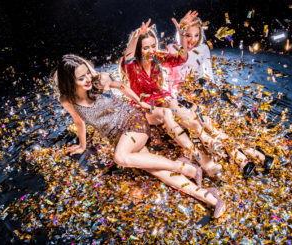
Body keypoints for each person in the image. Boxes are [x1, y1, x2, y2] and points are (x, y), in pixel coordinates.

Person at [52, 54, 226, 218]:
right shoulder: (67, 100)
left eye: (87, 73)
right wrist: (82, 146)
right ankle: (209, 197)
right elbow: (78, 122)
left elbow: (122, 86)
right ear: (69, 82)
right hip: (119, 139)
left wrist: (139, 101)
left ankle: (185, 167)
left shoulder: (101, 80)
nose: (88, 79)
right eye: (81, 78)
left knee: (120, 157)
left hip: (133, 122)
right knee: (157, 171)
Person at [166, 11, 274, 177]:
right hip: (178, 101)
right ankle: (251, 154)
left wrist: (200, 96)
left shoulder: (202, 49)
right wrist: (181, 100)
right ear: (180, 34)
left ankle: (244, 157)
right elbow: (166, 81)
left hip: (198, 95)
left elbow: (208, 76)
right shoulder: (171, 50)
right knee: (208, 128)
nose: (192, 40)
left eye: (196, 35)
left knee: (212, 126)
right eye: (187, 35)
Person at [121, 19, 223, 177]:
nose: (150, 51)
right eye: (145, 47)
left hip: (161, 98)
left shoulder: (156, 57)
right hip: (144, 107)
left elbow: (181, 58)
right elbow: (128, 55)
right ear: (138, 48)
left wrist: (182, 33)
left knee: (174, 103)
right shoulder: (131, 64)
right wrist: (135, 38)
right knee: (167, 113)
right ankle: (202, 160)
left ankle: (206, 139)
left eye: (153, 46)